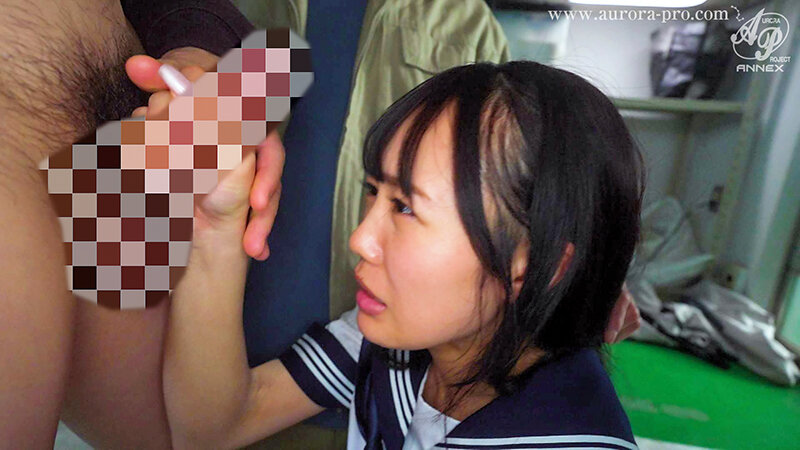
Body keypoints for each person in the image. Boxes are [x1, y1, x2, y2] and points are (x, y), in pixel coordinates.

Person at [162, 60, 644, 449]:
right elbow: (215, 426)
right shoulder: (395, 343)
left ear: (532, 264)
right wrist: (216, 225)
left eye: (406, 207)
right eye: (374, 191)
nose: (359, 239)